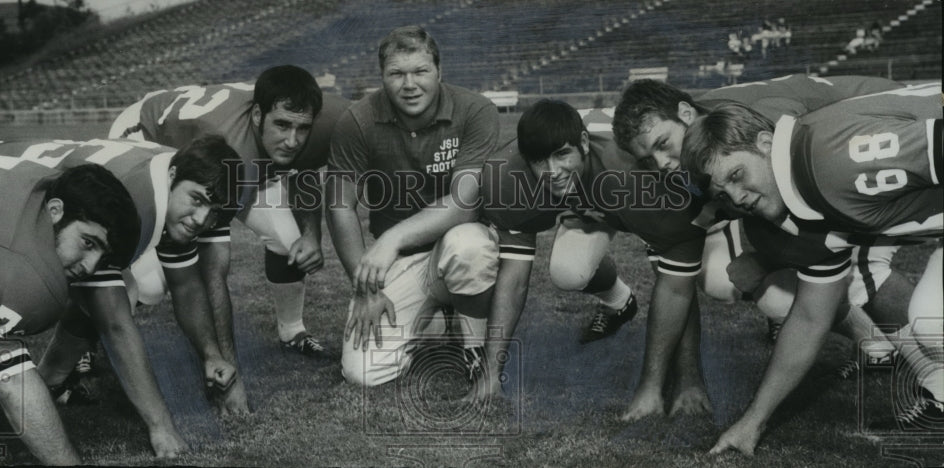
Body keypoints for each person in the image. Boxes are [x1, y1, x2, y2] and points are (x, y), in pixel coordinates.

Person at [680, 82, 942, 455]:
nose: (736, 198)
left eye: (737, 175)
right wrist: (753, 421)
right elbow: (808, 318)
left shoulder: (831, 161)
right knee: (932, 314)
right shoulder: (800, 198)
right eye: (723, 194)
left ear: (766, 144)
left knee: (934, 318)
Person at [612, 75, 912, 360]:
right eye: (648, 159)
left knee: (860, 265)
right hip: (839, 159)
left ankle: (930, 374)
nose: (662, 163)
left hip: (888, 129)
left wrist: (769, 259)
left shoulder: (755, 119)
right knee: (772, 287)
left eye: (663, 144)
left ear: (686, 113)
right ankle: (880, 350)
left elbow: (805, 213)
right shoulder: (703, 140)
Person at [0, 136, 242, 457]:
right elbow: (115, 324)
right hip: (3, 188)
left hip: (31, 180)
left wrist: (211, 353)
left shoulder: (176, 176)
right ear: (172, 177)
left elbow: (187, 286)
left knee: (109, 283)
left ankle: (50, 379)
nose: (201, 219)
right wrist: (161, 426)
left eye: (213, 212)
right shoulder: (140, 202)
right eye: (197, 200)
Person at [110, 65, 350, 365]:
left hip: (229, 150)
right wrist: (226, 361)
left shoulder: (315, 116)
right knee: (149, 283)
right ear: (258, 116)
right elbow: (213, 270)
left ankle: (292, 331)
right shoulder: (234, 153)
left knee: (290, 243)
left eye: (302, 128)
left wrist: (311, 234)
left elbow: (305, 165)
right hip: (146, 133)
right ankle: (92, 340)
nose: (292, 140)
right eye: (282, 126)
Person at [509, 99, 713, 417]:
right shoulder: (519, 166)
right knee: (568, 271)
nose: (549, 170)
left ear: (584, 144)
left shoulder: (629, 170)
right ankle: (620, 302)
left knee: (720, 282)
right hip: (598, 199)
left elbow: (675, 277)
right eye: (539, 160)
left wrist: (687, 377)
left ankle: (777, 312)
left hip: (632, 192)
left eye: (562, 154)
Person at [327, 25, 500, 386]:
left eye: (420, 71)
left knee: (470, 246)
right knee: (362, 373)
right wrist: (365, 290)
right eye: (396, 74)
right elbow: (340, 206)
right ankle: (433, 321)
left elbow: (464, 203)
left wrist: (390, 239)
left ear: (439, 71)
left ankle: (474, 348)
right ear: (382, 77)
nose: (409, 84)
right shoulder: (357, 120)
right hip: (402, 263)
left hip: (454, 244)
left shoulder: (474, 110)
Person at [0, 144, 140, 465]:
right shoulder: (14, 268)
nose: (89, 267)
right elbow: (13, 382)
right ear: (55, 211)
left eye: (100, 255)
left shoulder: (44, 181)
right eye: (87, 243)